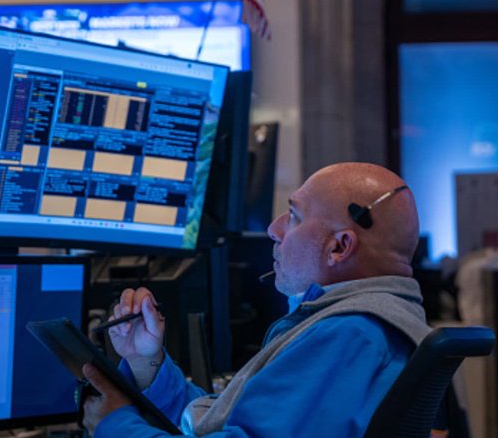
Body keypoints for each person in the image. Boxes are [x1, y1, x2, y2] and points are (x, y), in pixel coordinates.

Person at [82, 162, 432, 437]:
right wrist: (148, 363)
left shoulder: (351, 334)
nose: (274, 229)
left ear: (339, 247)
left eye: (293, 215)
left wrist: (117, 425)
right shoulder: (354, 326)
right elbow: (221, 422)